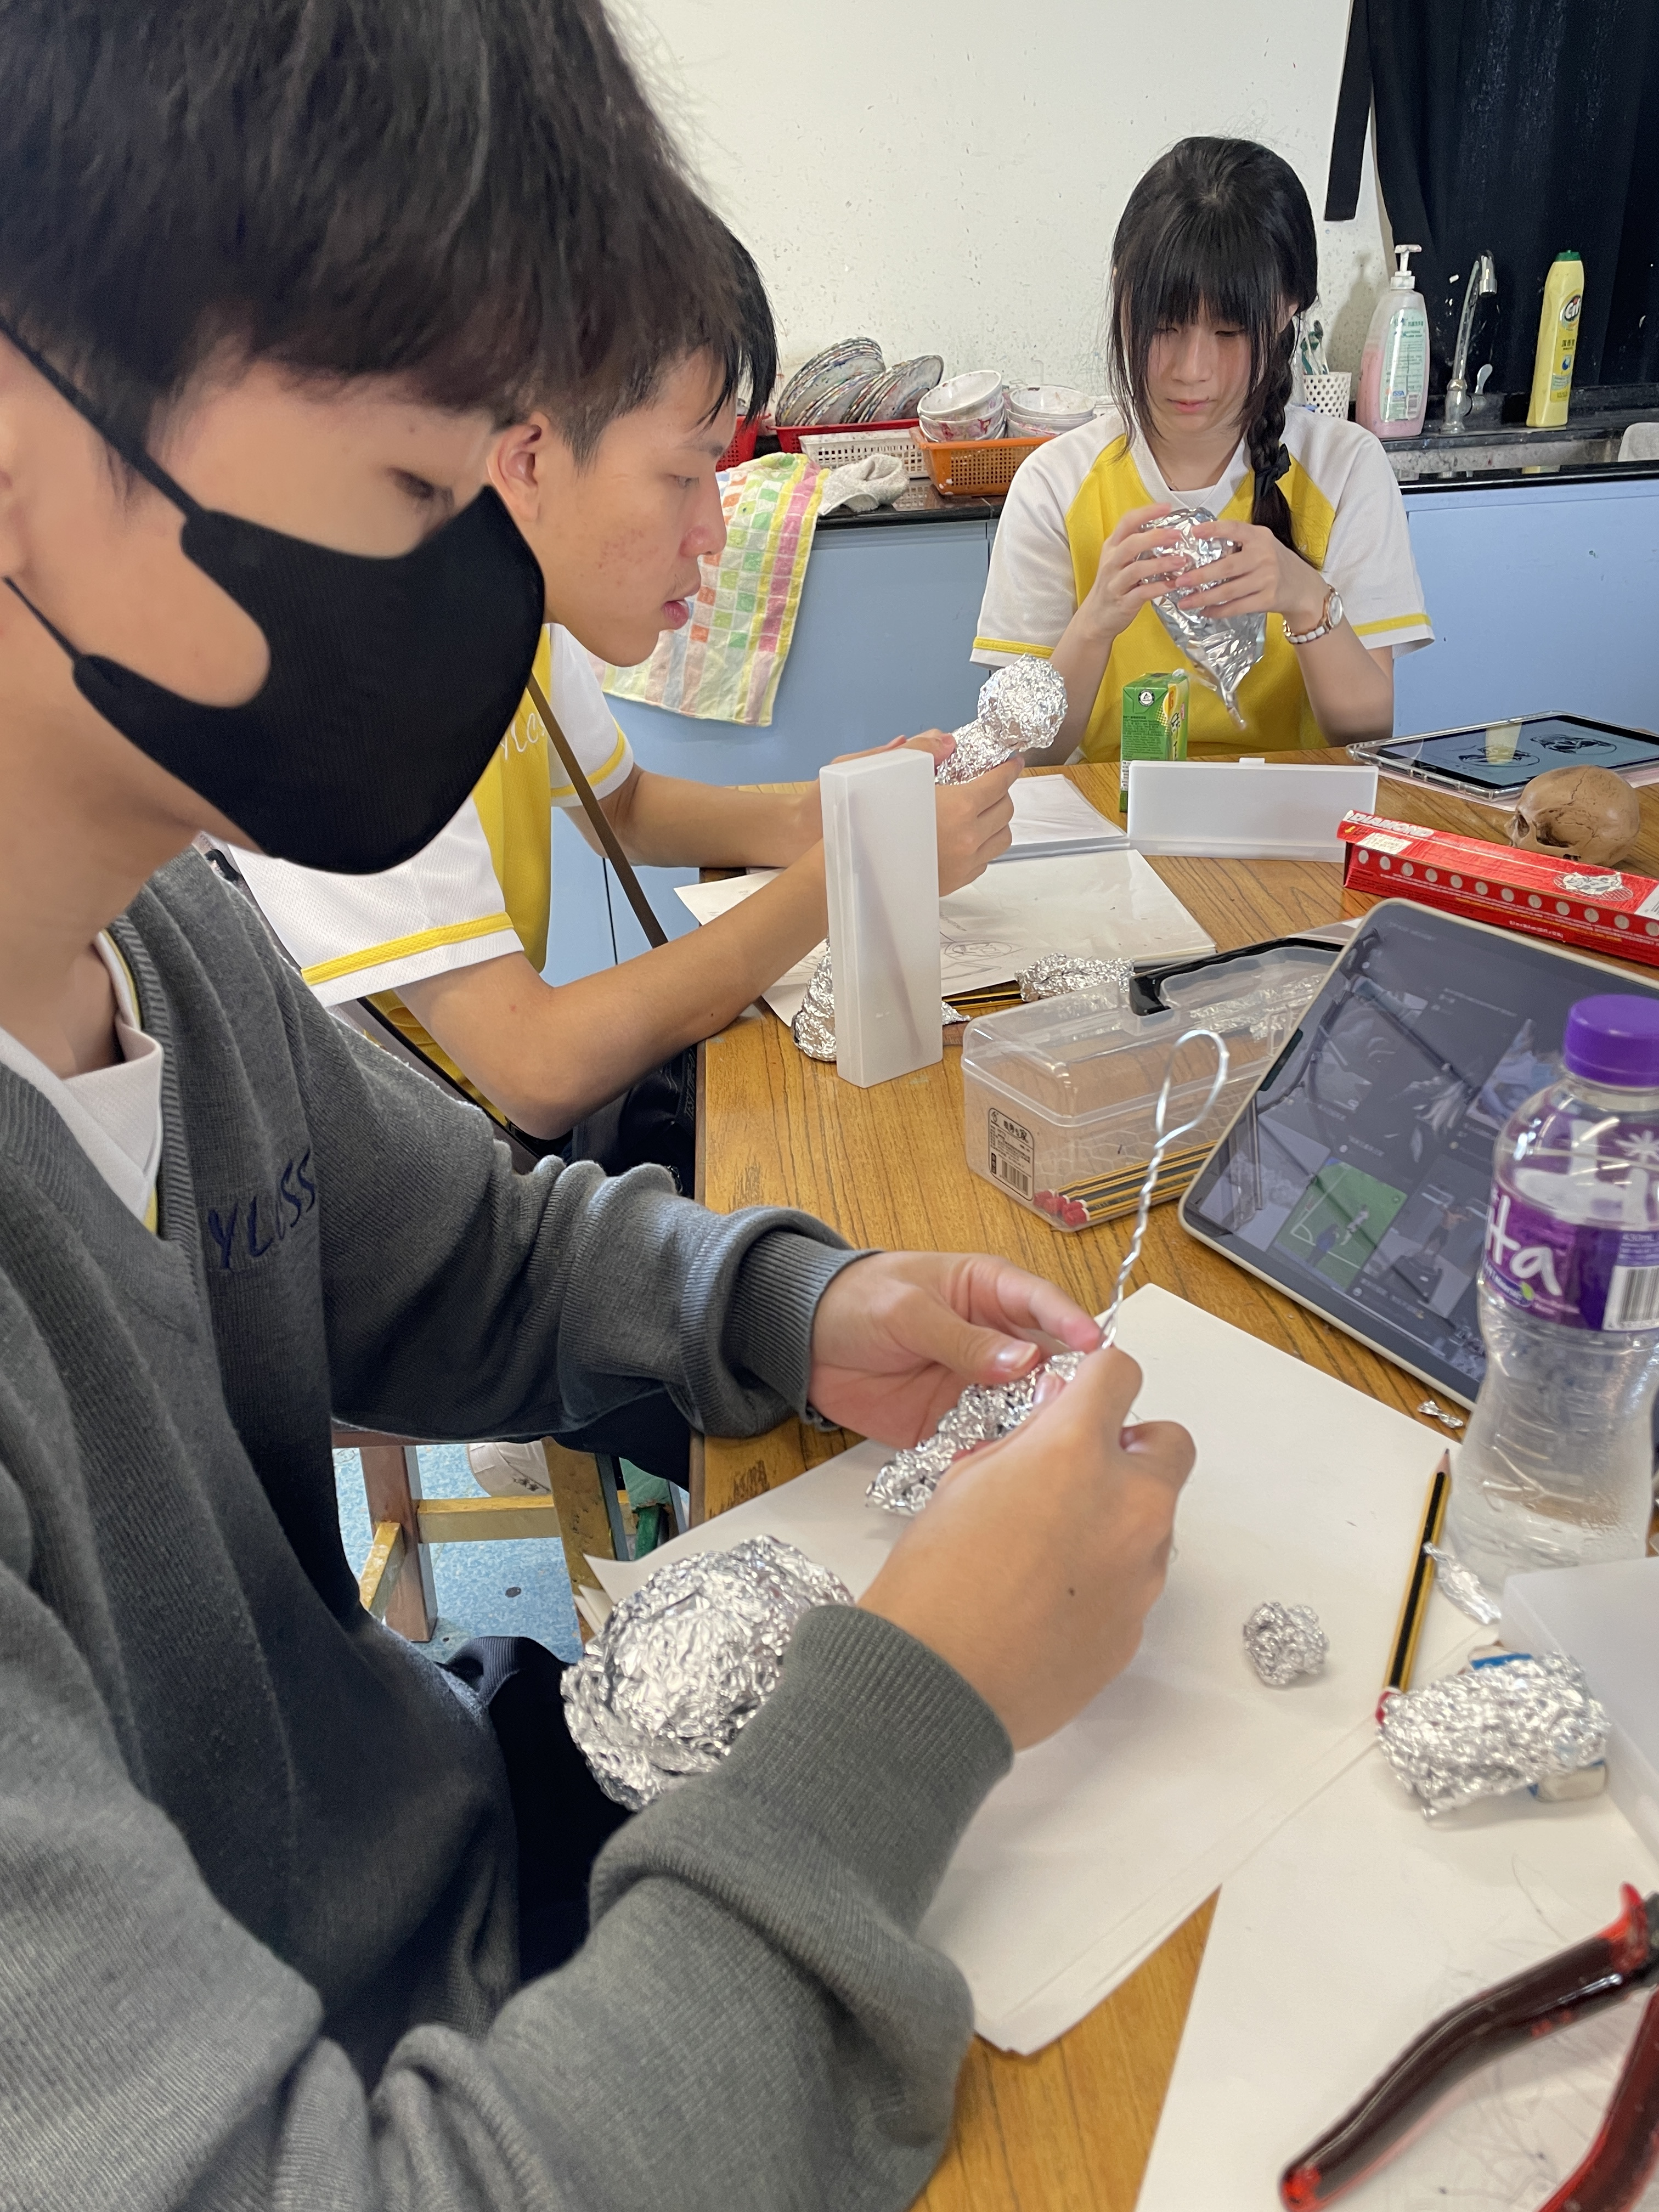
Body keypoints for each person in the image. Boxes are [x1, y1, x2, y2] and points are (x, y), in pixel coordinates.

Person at [0, 4, 1193, 2208]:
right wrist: (919, 1694)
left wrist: (792, 1306)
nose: (474, 578)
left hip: (450, 1877)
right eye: (416, 488)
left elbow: (472, 1251)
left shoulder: (161, 937)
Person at [222, 235, 1019, 1503]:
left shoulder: (501, 608)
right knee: (836, 1414)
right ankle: (559, 1446)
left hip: (500, 1175)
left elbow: (629, 807)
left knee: (852, 1221)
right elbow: (535, 1071)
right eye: (688, 473)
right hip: (431, 1234)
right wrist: (850, 874)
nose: (716, 529)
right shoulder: (353, 679)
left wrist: (841, 805)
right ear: (529, 458)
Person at [973, 137, 1432, 764]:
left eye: (1229, 331)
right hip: (1111, 812)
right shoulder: (1055, 485)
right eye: (1165, 326)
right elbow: (1024, 754)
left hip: (1287, 816)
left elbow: (1366, 729)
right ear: (1122, 293)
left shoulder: (1346, 469)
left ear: (1288, 308)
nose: (1191, 370)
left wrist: (1305, 598)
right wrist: (1096, 621)